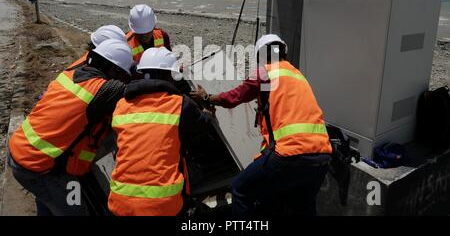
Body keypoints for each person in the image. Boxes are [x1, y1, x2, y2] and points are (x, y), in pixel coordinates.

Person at [189, 34, 333, 216]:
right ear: (283, 52)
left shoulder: (265, 73)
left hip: (289, 154)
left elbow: (235, 96)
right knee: (303, 207)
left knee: (240, 188)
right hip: (322, 156)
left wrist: (207, 97)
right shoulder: (298, 75)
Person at [7, 39, 133, 216]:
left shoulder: (72, 74)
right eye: (122, 75)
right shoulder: (102, 90)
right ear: (113, 70)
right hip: (39, 167)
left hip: (21, 151)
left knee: (48, 199)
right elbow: (135, 91)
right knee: (75, 211)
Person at [108, 47, 215, 216]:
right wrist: (208, 110)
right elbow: (203, 126)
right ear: (169, 76)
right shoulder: (179, 104)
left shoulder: (121, 106)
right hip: (163, 205)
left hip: (120, 202)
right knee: (197, 171)